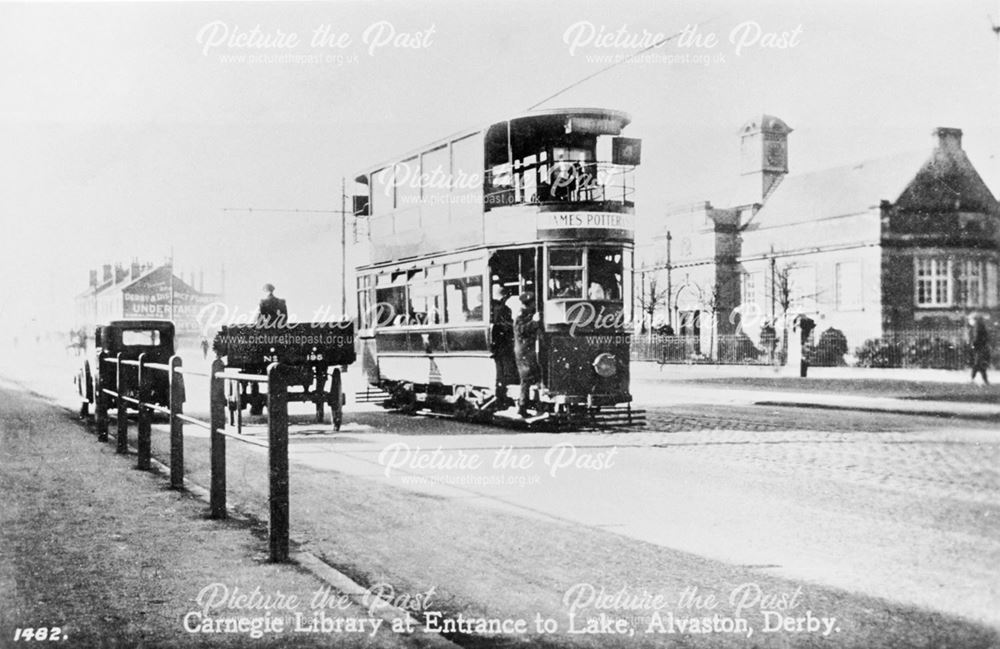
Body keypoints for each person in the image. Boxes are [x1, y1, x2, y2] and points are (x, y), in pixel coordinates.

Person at [513, 292, 541, 417]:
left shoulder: (527, 313)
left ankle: (531, 404)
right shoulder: (521, 314)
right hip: (524, 350)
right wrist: (534, 322)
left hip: (528, 349)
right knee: (526, 378)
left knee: (531, 376)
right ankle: (522, 407)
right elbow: (521, 330)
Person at [490, 286, 517, 405]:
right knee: (506, 366)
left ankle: (501, 392)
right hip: (503, 342)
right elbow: (506, 325)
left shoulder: (490, 307)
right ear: (505, 296)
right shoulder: (503, 309)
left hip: (496, 343)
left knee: (500, 369)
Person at [968, 313, 991, 385]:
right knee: (980, 364)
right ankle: (984, 380)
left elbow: (976, 337)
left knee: (978, 363)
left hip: (979, 347)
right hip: (982, 347)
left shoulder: (977, 326)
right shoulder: (981, 325)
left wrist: (973, 345)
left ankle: (973, 378)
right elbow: (985, 337)